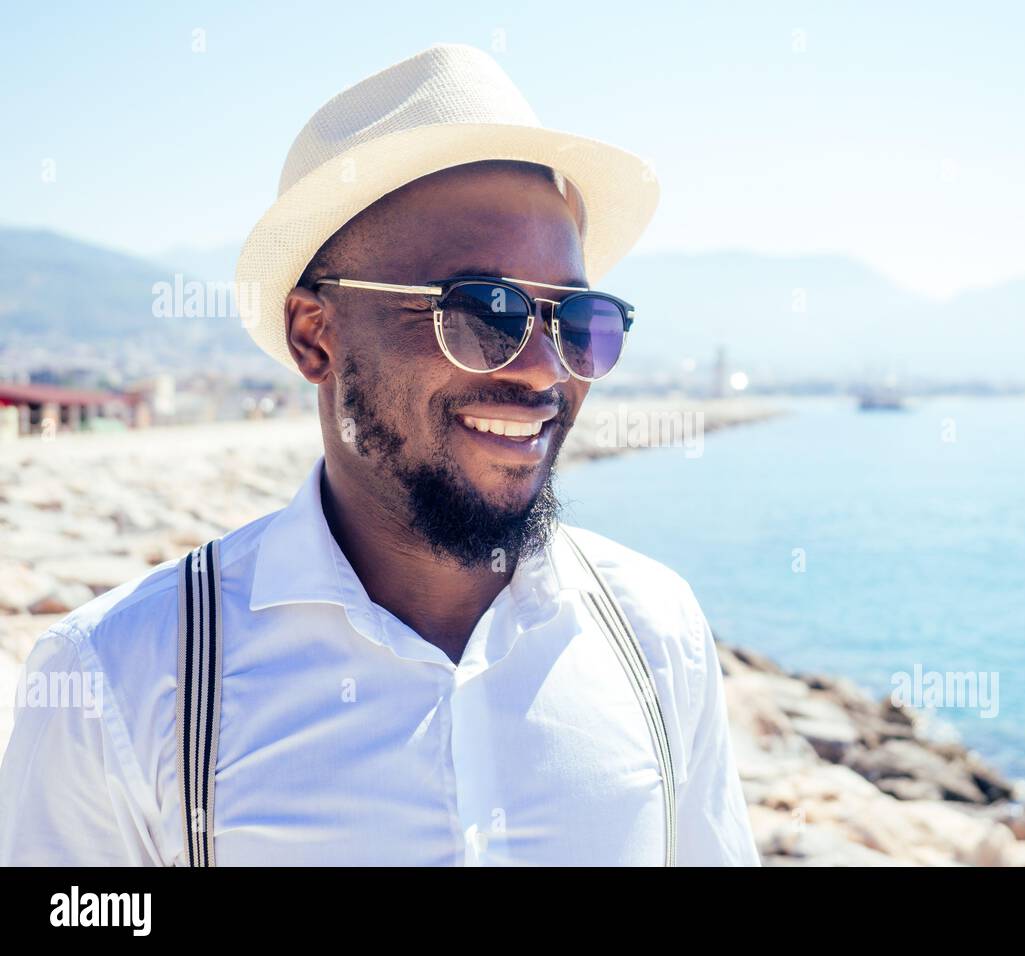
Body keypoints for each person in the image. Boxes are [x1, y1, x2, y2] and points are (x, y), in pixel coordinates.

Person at [0, 43, 760, 866]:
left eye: (577, 320)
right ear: (313, 335)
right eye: (486, 310)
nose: (545, 367)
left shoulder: (656, 635)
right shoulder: (120, 683)